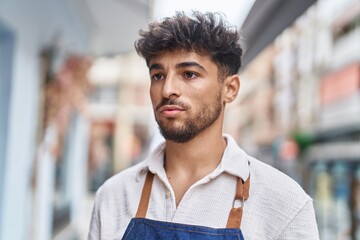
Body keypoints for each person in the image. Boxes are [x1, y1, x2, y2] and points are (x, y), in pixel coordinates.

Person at [88, 11, 319, 240]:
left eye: (188, 74)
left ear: (230, 89)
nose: (168, 89)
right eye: (158, 75)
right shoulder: (112, 197)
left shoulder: (286, 206)